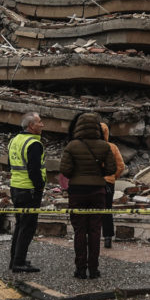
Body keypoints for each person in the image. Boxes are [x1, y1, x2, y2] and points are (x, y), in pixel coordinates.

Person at [59, 112, 115, 279]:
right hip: (97, 191)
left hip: (77, 191)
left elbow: (65, 170)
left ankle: (80, 269)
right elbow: (112, 169)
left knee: (80, 231)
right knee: (95, 230)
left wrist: (78, 174)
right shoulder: (105, 146)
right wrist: (98, 173)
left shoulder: (72, 146)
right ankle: (94, 269)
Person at [8, 112, 45, 273]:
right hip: (29, 189)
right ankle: (19, 262)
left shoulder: (14, 140)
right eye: (39, 122)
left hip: (15, 187)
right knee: (27, 227)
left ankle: (15, 259)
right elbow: (34, 170)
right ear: (31, 126)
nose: (42, 125)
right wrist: (39, 188)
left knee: (20, 225)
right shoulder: (33, 144)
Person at [100, 122, 126, 249]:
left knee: (90, 209)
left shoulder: (87, 146)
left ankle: (90, 236)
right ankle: (108, 238)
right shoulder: (112, 147)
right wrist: (113, 176)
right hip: (108, 183)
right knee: (107, 209)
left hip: (92, 182)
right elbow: (121, 166)